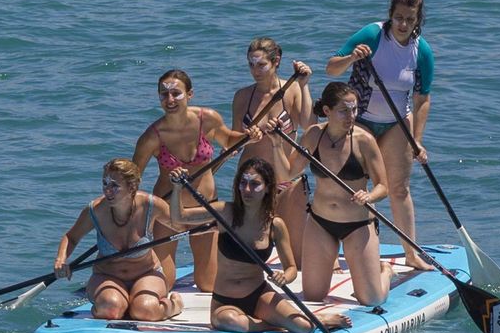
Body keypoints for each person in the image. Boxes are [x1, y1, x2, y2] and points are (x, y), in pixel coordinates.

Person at [326, 0, 434, 269]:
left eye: (410, 19)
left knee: (399, 189)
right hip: (360, 120)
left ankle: (411, 254)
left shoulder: (422, 51)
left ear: (418, 20)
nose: (403, 24)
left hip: (398, 123)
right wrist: (352, 57)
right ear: (390, 15)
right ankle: (336, 252)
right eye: (398, 18)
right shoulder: (372, 35)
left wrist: (418, 140)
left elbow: (423, 98)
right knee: (353, 187)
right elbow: (331, 68)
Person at [131, 69, 262, 293]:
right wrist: (133, 219)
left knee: (207, 284)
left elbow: (228, 139)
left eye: (176, 93)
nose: (170, 99)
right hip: (167, 213)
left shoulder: (207, 119)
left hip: (205, 210)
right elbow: (132, 180)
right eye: (164, 94)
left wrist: (249, 136)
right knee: (164, 284)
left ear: (190, 94)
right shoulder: (151, 136)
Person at [186, 157, 351, 333]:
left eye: (255, 184)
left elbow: (291, 268)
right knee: (231, 322)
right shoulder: (225, 212)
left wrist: (284, 278)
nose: (247, 190)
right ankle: (274, 324)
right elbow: (179, 218)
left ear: (267, 188)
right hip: (225, 301)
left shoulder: (275, 225)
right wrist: (177, 187)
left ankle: (316, 320)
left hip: (259, 295)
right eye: (243, 183)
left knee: (304, 328)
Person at [287, 83, 393, 307]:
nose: (351, 116)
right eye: (344, 111)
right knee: (313, 296)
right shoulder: (314, 135)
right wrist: (276, 143)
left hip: (357, 225)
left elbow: (383, 186)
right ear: (327, 111)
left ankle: (386, 271)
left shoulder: (364, 141)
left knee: (372, 300)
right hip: (320, 222)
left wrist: (369, 197)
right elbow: (289, 172)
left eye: (354, 110)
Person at [54, 159, 184, 322]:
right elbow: (71, 237)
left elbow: (179, 225)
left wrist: (177, 189)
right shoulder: (96, 210)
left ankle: (174, 305)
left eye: (114, 186)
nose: (107, 191)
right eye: (105, 184)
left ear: (132, 187)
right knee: (110, 310)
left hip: (146, 274)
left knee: (145, 311)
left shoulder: (150, 205)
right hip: (106, 275)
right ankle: (115, 303)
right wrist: (61, 260)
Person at [229, 38, 315, 267]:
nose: (255, 71)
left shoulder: (292, 89)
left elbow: (310, 125)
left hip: (286, 179)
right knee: (246, 257)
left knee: (298, 259)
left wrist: (305, 85)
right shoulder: (242, 96)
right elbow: (232, 143)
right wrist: (246, 138)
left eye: (261, 65)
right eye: (251, 65)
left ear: (276, 62)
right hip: (250, 182)